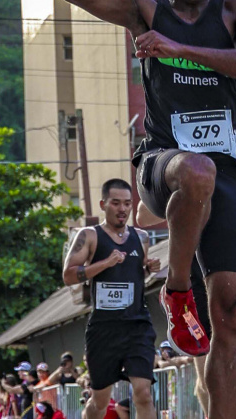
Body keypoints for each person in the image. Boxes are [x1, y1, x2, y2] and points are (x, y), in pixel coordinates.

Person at [56, 0, 236, 419]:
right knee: (196, 169)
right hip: (165, 167)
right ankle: (177, 289)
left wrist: (177, 49)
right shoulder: (145, 11)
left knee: (235, 315)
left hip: (227, 174)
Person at [137, 159, 236, 419]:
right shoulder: (192, 168)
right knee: (207, 385)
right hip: (199, 280)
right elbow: (142, 216)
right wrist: (184, 193)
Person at [62, 179, 162, 419]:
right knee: (99, 401)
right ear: (103, 204)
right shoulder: (89, 236)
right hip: (104, 329)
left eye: (127, 203)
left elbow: (136, 273)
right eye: (115, 203)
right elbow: (68, 275)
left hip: (137, 325)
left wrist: (148, 267)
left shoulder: (141, 237)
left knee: (144, 394)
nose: (122, 209)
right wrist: (105, 263)